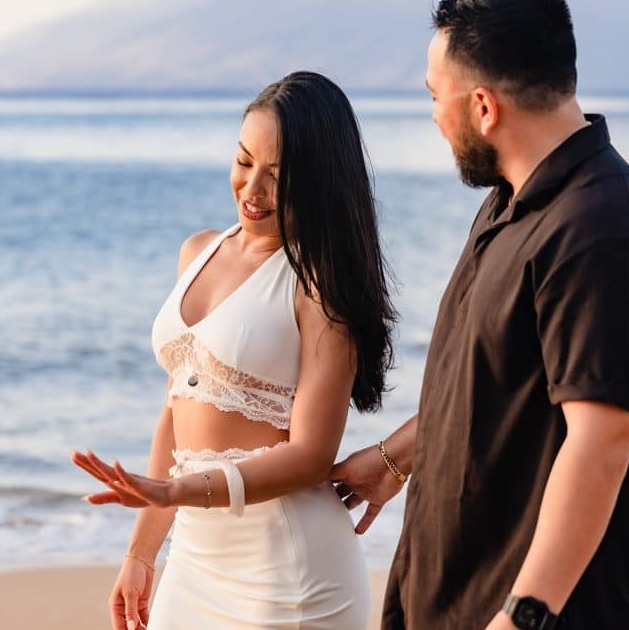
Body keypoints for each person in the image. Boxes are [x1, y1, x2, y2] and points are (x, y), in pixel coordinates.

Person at [331, 0, 629, 629]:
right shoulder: (509, 204)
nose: (435, 117)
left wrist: (525, 613)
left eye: (436, 98)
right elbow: (494, 385)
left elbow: (604, 438)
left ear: (484, 107)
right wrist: (395, 457)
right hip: (456, 593)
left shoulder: (601, 228)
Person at [71, 71, 397, 630]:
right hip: (195, 560)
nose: (252, 189)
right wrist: (142, 553)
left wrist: (174, 490)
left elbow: (312, 454)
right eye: (244, 162)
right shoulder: (198, 251)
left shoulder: (320, 284)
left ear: (319, 181)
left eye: (278, 175)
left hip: (288, 571)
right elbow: (176, 415)